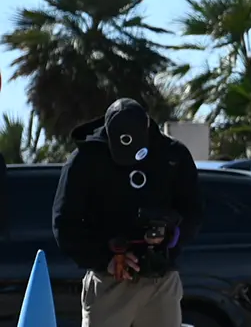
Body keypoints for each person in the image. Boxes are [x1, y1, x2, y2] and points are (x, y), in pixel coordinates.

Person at [54, 98, 204, 327]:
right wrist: (105, 259)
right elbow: (64, 224)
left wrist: (169, 237)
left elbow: (193, 212)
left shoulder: (173, 155)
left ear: (147, 127)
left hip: (159, 279)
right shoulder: (86, 159)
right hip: (109, 280)